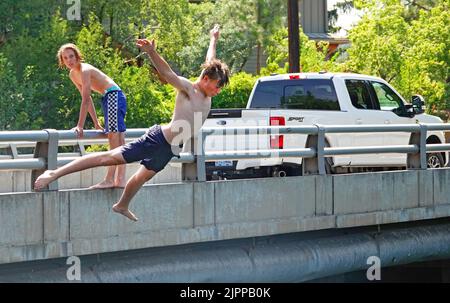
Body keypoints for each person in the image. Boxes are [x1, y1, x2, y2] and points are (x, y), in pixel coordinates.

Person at [35, 25, 230, 222]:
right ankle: (54, 173)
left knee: (142, 177)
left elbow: (210, 61)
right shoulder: (189, 89)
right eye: (216, 87)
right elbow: (168, 73)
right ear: (205, 79)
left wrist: (213, 38)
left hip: (172, 147)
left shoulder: (208, 89)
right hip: (159, 140)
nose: (217, 91)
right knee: (108, 158)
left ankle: (122, 205)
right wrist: (152, 52)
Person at [57, 43, 127, 189]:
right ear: (62, 61)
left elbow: (86, 99)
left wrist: (80, 125)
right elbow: (87, 101)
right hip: (110, 97)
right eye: (65, 58)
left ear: (77, 56)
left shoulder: (85, 69)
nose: (69, 60)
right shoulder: (72, 75)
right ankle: (120, 180)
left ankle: (110, 179)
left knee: (114, 137)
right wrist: (95, 123)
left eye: (71, 56)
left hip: (113, 95)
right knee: (118, 139)